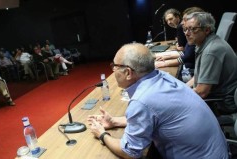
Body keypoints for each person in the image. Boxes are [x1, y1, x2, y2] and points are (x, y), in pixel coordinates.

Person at [87, 43, 228, 158]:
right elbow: (157, 116)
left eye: (115, 66)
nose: (113, 71)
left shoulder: (142, 101)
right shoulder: (162, 77)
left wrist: (102, 134)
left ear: (128, 73)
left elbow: (130, 152)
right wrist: (115, 121)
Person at [184, 12, 237, 115]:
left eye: (192, 29)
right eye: (185, 29)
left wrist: (177, 96)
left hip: (222, 102)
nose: (186, 33)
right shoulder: (203, 43)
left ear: (207, 30)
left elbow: (202, 92)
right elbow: (198, 76)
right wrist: (182, 88)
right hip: (216, 97)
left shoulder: (211, 51)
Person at [155, 7, 205, 82]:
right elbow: (185, 52)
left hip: (189, 72)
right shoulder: (194, 38)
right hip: (190, 72)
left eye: (185, 20)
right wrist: (166, 57)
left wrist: (165, 63)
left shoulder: (206, 46)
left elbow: (186, 55)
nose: (182, 24)